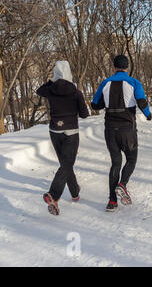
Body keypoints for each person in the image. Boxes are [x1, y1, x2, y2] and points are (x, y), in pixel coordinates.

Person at [91, 55, 152, 212]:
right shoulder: (133, 82)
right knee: (131, 159)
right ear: (127, 67)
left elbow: (95, 105)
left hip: (110, 129)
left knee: (115, 163)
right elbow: (142, 101)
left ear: (114, 67)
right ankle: (122, 184)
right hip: (127, 129)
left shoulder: (105, 83)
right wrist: (148, 114)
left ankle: (112, 202)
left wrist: (107, 101)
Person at [37, 61, 90, 216]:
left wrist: (52, 81)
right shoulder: (75, 91)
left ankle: (74, 192)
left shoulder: (50, 90)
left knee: (65, 163)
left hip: (55, 130)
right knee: (67, 164)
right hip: (71, 131)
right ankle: (53, 194)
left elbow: (39, 90)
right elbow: (85, 114)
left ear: (55, 73)